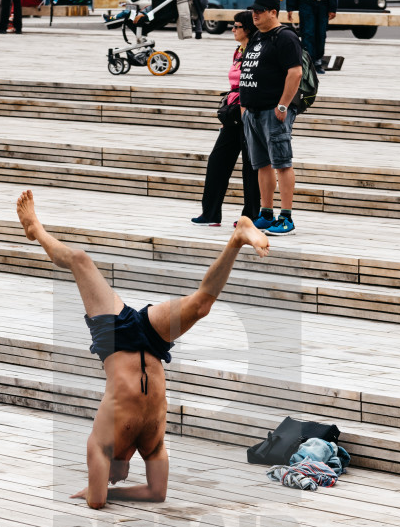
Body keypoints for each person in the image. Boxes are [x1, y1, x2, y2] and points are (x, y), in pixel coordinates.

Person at [15, 190, 270, 510]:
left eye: (110, 478)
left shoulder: (100, 444)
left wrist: (102, 491)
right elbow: (156, 493)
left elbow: (96, 501)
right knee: (202, 306)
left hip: (115, 335)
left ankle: (35, 230)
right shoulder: (152, 446)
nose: (116, 478)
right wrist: (113, 492)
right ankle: (236, 238)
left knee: (80, 259)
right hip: (153, 340)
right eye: (116, 480)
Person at [239, 0, 303, 237]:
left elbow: (295, 73)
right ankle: (266, 213)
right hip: (252, 112)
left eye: (260, 11)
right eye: (253, 11)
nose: (255, 14)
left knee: (282, 163)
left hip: (273, 111)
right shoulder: (256, 37)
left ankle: (286, 217)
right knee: (262, 165)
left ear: (273, 12)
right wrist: (244, 105)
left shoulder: (285, 37)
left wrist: (283, 106)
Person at [192, 11, 260, 227]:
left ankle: (249, 216)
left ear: (247, 29)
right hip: (233, 115)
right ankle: (211, 214)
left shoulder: (257, 51)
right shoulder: (238, 51)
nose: (232, 29)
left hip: (251, 115)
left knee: (251, 167)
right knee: (217, 162)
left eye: (236, 26)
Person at [286, 0, 338, 75]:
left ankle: (318, 61)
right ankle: (308, 62)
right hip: (305, 2)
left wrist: (333, 8)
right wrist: (290, 7)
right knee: (307, 33)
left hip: (323, 3)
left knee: (321, 34)